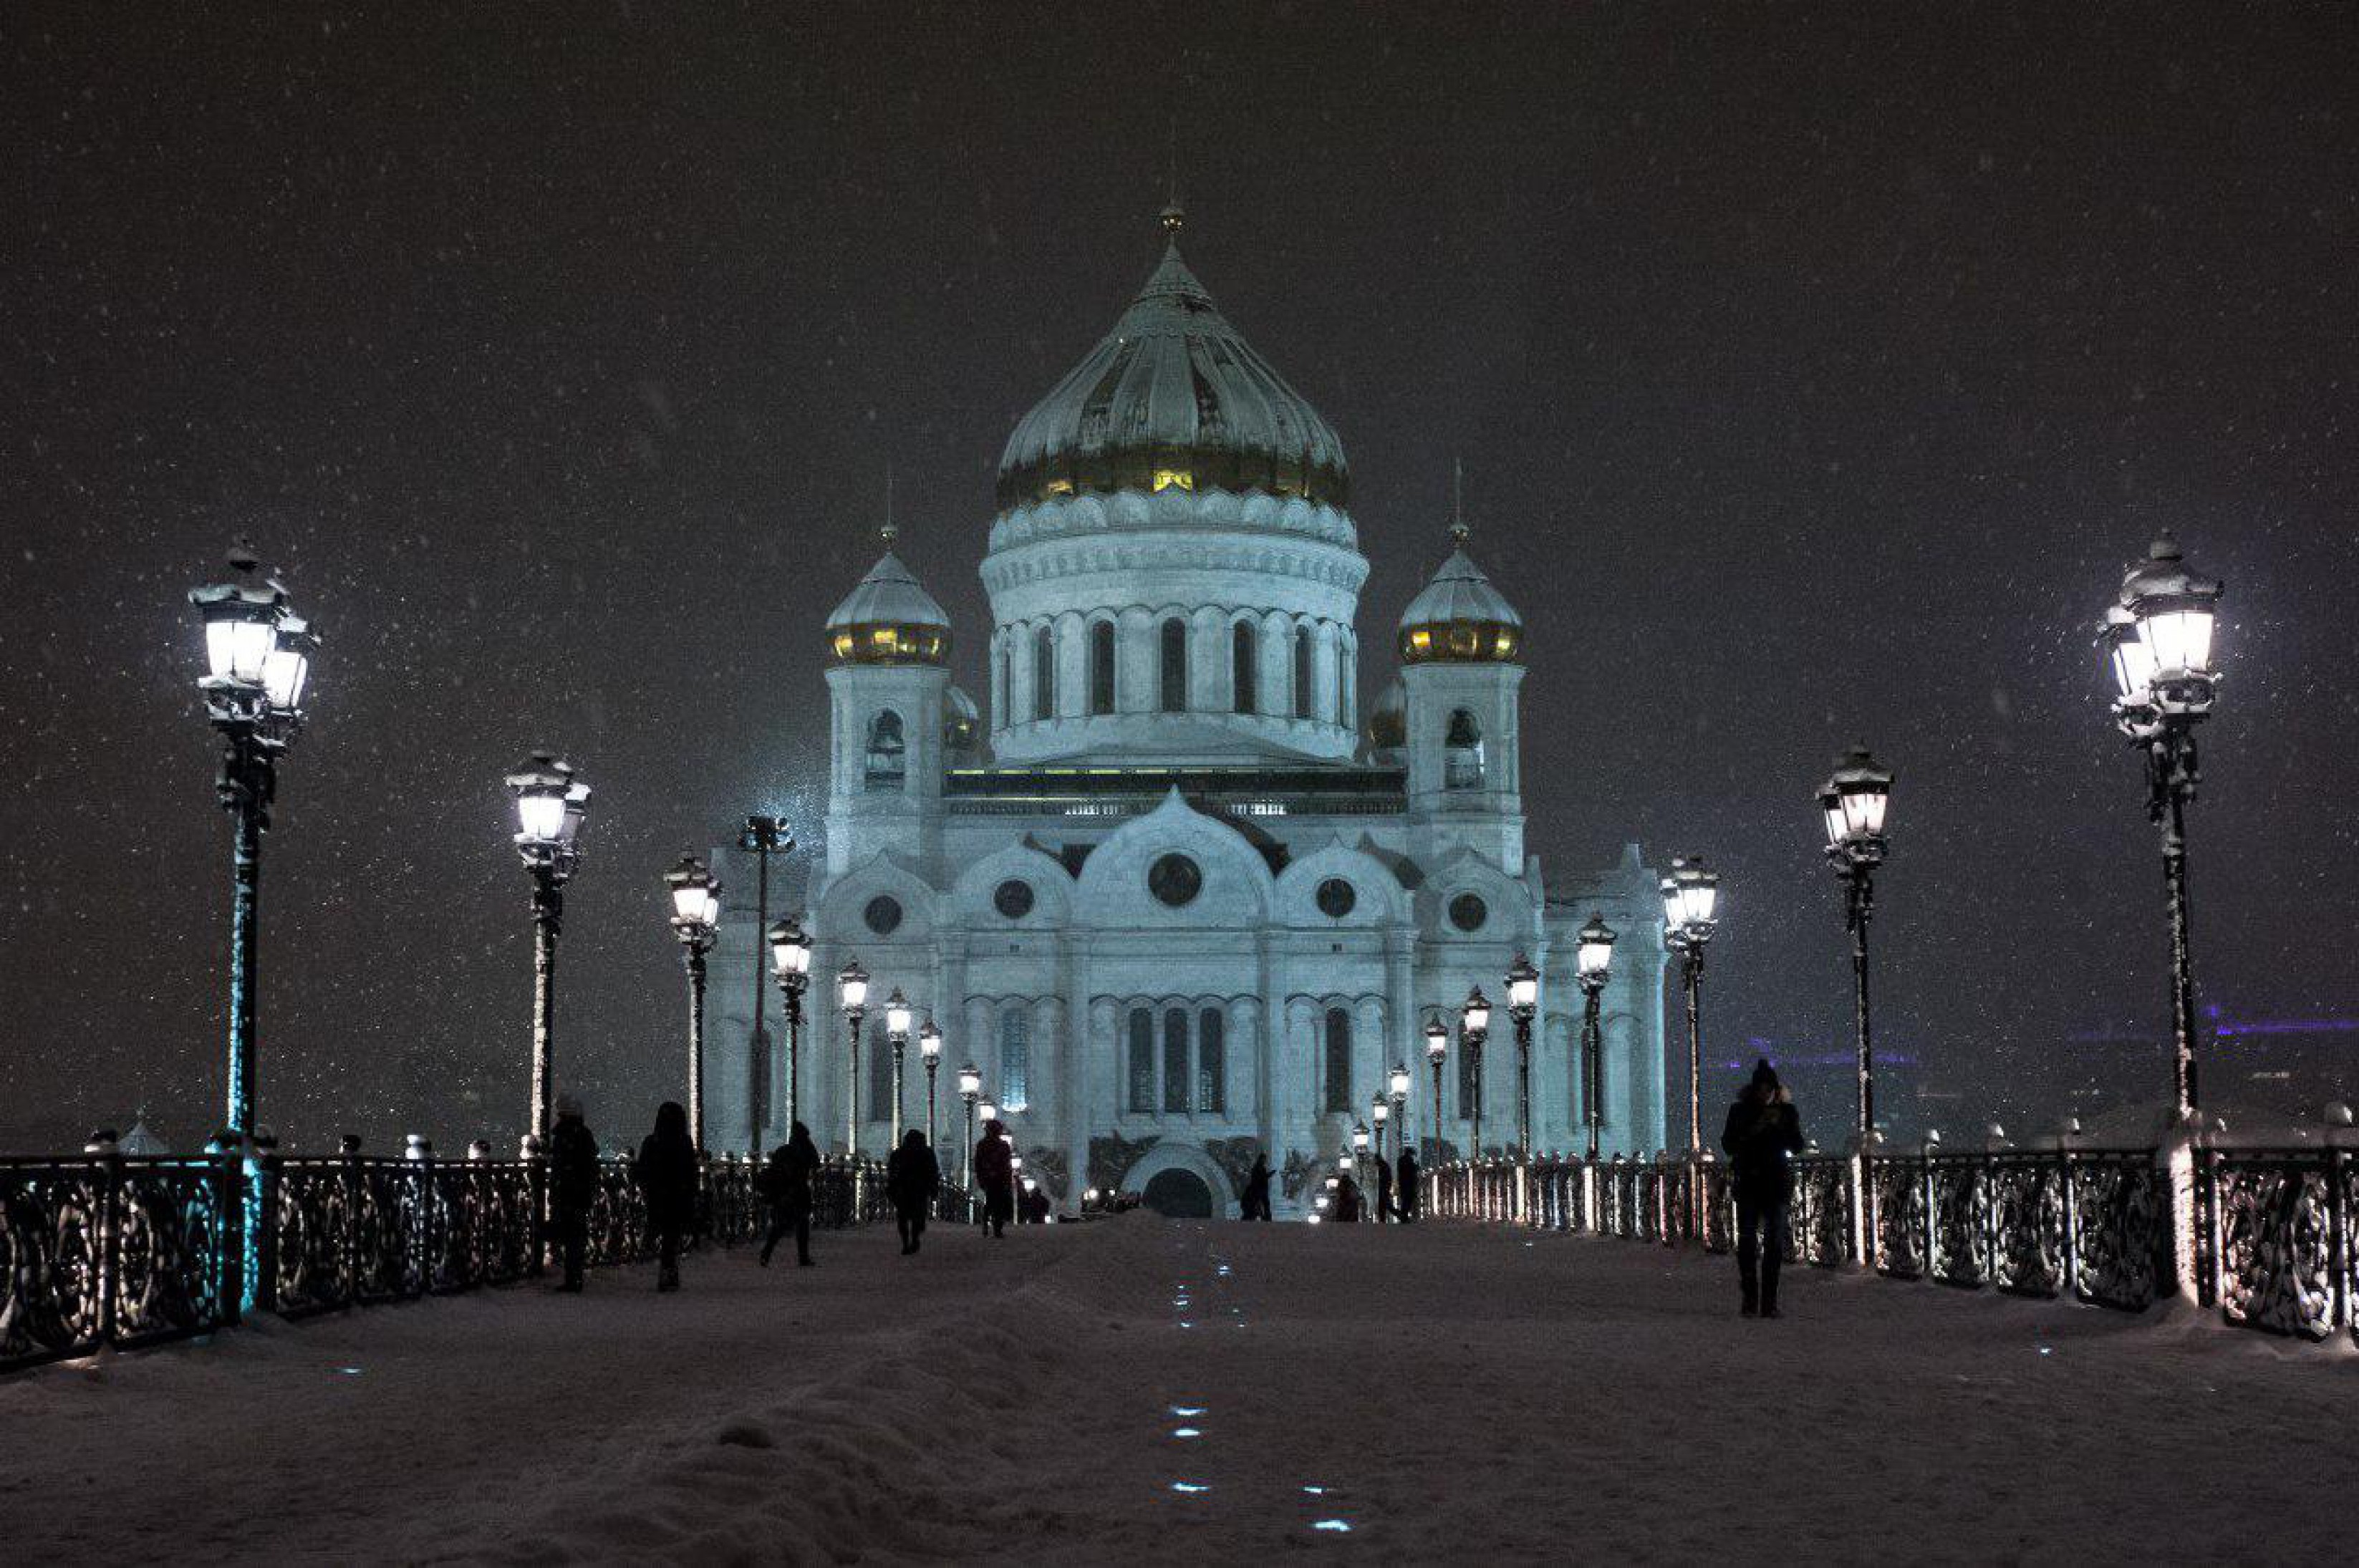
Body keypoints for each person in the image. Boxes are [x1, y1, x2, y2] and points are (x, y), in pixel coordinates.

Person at [1721, 1058, 1807, 1319]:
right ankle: (1750, 1296)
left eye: (1769, 1089)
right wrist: (1755, 1129)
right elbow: (1728, 1145)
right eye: (1761, 1088)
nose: (1764, 1093)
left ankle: (1769, 1301)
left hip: (1776, 1184)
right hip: (1749, 1183)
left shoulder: (1787, 1113)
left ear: (1775, 1090)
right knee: (1747, 1242)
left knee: (1774, 1244)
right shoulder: (1739, 1111)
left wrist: (1779, 1126)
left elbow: (1797, 1145)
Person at [634, 1100, 700, 1292]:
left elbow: (642, 1169)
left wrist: (647, 1188)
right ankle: (668, 1272)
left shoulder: (652, 1141)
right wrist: (690, 1192)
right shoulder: (684, 1142)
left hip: (658, 1195)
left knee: (659, 1226)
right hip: (677, 1195)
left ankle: (650, 1250)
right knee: (672, 1235)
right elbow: (690, 1171)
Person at [548, 1094, 599, 1292]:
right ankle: (574, 1276)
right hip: (578, 1193)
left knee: (571, 1236)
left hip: (568, 1192)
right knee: (575, 1236)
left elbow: (565, 1164)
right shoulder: (582, 1134)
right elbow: (589, 1166)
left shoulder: (566, 1135)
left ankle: (572, 1277)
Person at [758, 1121, 821, 1267]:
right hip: (799, 1191)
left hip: (782, 1191)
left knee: (780, 1225)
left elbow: (774, 1170)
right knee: (802, 1224)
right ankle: (803, 1257)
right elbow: (816, 1164)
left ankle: (766, 1253)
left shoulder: (783, 1151)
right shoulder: (805, 1149)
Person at [887, 1128, 941, 1255]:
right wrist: (933, 1189)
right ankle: (915, 1238)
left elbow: (892, 1173)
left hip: (903, 1189)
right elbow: (933, 1172)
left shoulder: (898, 1153)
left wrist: (892, 1189)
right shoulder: (927, 1153)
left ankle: (906, 1243)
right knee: (918, 1216)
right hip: (920, 1189)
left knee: (903, 1217)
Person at [973, 1118, 1015, 1239]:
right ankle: (995, 1227)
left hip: (993, 1178)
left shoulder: (985, 1145)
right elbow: (1007, 1164)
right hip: (994, 1178)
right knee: (995, 1203)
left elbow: (978, 1163)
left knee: (993, 1202)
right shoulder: (1002, 1146)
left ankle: (991, 1225)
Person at [1238, 1155, 1273, 1221]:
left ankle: (1265, 1217)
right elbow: (1259, 1178)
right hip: (1258, 1189)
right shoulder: (1257, 1168)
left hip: (1260, 1189)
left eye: (1265, 1160)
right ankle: (1265, 1217)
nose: (1265, 1161)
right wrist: (1268, 1175)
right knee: (1261, 1204)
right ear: (1261, 1159)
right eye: (1264, 1160)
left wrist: (1268, 1175)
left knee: (1264, 1204)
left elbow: (1262, 1177)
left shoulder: (1260, 1168)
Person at [1395, 1146, 1421, 1224]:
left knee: (1405, 1201)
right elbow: (1412, 1170)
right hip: (1409, 1184)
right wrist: (1416, 1166)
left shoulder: (1401, 1160)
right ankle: (1405, 1217)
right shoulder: (1409, 1160)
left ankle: (1404, 1217)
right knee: (1408, 1201)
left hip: (1403, 1183)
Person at [1374, 1152, 1396, 1224]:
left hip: (1384, 1188)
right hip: (1384, 1187)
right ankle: (1382, 1219)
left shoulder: (1383, 1166)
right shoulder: (1384, 1165)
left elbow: (1385, 1178)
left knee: (1386, 1204)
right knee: (1383, 1204)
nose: (1374, 1162)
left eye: (1375, 1160)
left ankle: (1401, 1216)